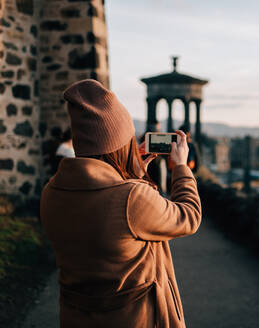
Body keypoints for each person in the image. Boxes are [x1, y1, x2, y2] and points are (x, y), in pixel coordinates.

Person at [40, 79, 201, 328]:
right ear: (119, 145)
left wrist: (133, 173)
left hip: (77, 318)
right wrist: (180, 167)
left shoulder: (52, 191)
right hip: (136, 319)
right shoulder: (131, 198)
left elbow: (112, 212)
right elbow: (189, 216)